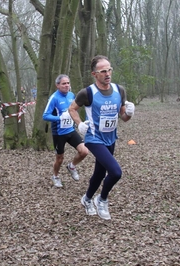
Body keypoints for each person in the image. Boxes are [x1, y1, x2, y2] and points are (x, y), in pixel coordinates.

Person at [68, 55, 135, 220]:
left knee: (99, 172)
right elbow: (72, 109)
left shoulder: (119, 90)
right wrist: (79, 124)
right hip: (94, 138)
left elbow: (123, 117)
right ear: (94, 74)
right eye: (103, 71)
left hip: (111, 138)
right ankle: (102, 199)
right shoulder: (88, 93)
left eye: (109, 70)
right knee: (116, 172)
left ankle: (87, 198)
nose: (107, 74)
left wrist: (129, 114)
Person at [43, 74, 89, 188]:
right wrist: (59, 118)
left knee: (84, 151)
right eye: (64, 83)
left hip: (70, 130)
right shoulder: (54, 98)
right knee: (60, 158)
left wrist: (80, 123)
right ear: (57, 85)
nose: (67, 85)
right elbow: (45, 116)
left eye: (68, 83)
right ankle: (55, 176)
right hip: (59, 133)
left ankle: (72, 166)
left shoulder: (71, 95)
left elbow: (74, 110)